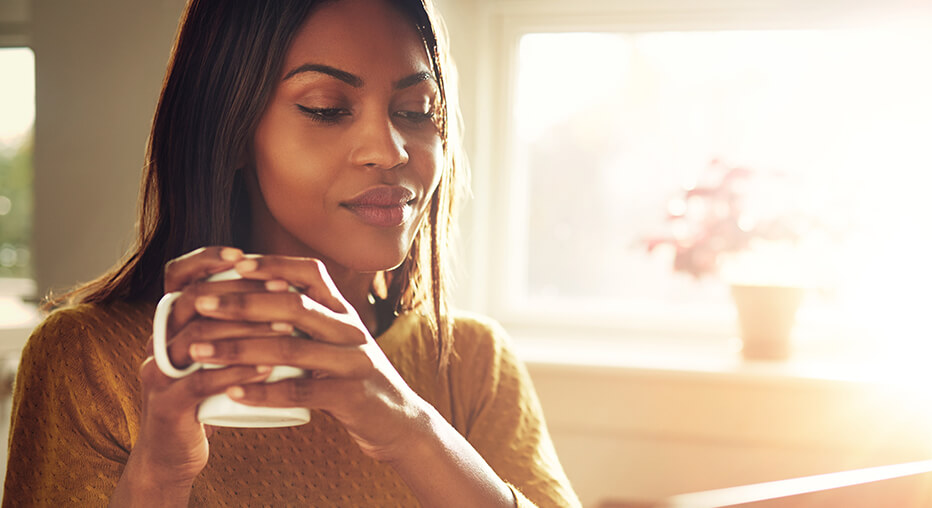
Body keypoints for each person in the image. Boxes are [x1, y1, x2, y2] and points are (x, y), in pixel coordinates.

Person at [3, 0, 580, 506]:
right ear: (229, 130)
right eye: (328, 107)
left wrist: (411, 427)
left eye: (416, 110)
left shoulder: (472, 362)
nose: (390, 149)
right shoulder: (86, 360)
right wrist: (158, 478)